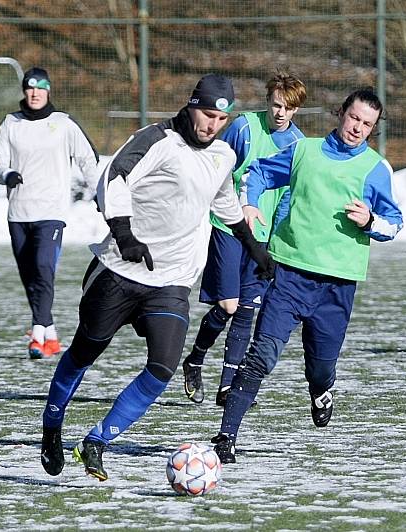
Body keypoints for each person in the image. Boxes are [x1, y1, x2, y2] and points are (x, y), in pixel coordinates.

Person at [39, 74, 274, 481]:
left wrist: (252, 245)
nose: (211, 125)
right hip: (119, 271)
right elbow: (111, 179)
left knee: (163, 368)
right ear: (191, 104)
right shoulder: (157, 140)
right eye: (206, 113)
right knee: (84, 354)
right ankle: (51, 424)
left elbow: (224, 200)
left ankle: (96, 442)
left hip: (171, 280)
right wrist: (124, 233)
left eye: (221, 118)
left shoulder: (222, 156)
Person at [211, 88, 403, 463]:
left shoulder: (376, 169)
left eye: (367, 124)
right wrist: (249, 205)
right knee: (261, 356)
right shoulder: (305, 151)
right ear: (341, 113)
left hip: (337, 286)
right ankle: (225, 436)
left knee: (320, 366)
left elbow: (394, 225)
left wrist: (371, 221)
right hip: (288, 275)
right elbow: (258, 173)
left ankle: (321, 389)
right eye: (354, 118)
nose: (358, 128)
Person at [182, 70, 306, 406]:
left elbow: (286, 199)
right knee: (228, 305)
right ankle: (194, 359)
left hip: (262, 239)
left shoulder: (298, 145)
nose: (281, 113)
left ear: (296, 111)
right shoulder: (244, 128)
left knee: (247, 310)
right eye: (276, 105)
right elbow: (216, 166)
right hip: (228, 227)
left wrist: (275, 242)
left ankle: (227, 386)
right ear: (268, 101)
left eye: (289, 108)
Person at [0, 67, 99, 359]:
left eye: (40, 87)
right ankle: (49, 335)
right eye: (30, 87)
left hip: (51, 211)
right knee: (30, 277)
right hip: (18, 212)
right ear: (24, 91)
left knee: (42, 269)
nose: (35, 93)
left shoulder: (63, 124)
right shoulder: (11, 123)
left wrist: (100, 192)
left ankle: (37, 336)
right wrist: (7, 173)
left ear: (49, 91)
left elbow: (88, 158)